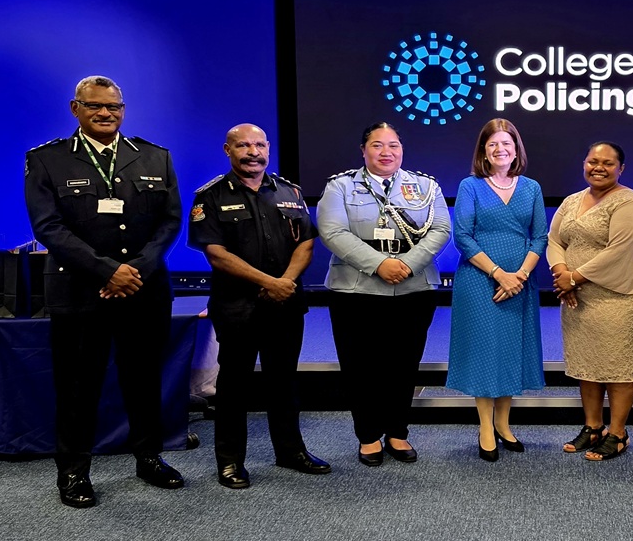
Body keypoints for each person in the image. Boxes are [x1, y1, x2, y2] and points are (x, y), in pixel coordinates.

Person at [24, 75, 183, 508]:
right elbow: (48, 227)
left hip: (144, 290)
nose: (105, 113)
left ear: (123, 109)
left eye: (114, 106)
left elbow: (170, 222)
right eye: (95, 106)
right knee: (78, 387)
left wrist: (135, 270)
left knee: (144, 380)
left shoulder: (154, 156)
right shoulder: (47, 160)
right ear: (75, 108)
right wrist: (106, 272)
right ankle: (73, 471)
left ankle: (148, 458)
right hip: (79, 292)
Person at [188, 123, 330, 489]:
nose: (253, 152)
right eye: (243, 146)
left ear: (268, 147)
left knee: (283, 382)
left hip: (284, 304)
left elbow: (306, 244)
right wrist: (270, 283)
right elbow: (216, 254)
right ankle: (231, 461)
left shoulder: (290, 191)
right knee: (233, 386)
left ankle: (290, 451)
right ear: (228, 149)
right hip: (236, 307)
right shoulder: (210, 196)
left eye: (258, 144)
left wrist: (284, 283)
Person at [317, 122, 451, 467]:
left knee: (404, 364)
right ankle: (367, 435)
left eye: (393, 145)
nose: (386, 152)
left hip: (413, 287)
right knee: (360, 364)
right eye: (377, 145)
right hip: (355, 289)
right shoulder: (340, 186)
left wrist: (406, 264)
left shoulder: (424, 186)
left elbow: (440, 229)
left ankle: (397, 431)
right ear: (363, 150)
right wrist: (379, 264)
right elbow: (332, 232)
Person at [446, 119, 548, 462]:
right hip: (479, 282)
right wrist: (499, 274)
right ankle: (485, 427)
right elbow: (462, 236)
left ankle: (504, 424)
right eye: (492, 145)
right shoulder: (470, 186)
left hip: (521, 282)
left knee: (509, 352)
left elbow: (539, 237)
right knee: (483, 351)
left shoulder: (531, 187)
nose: (500, 149)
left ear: (516, 148)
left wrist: (518, 275)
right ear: (483, 152)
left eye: (506, 143)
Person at [546, 141, 633, 461]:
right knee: (587, 365)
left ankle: (618, 433)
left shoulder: (630, 202)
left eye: (608, 163)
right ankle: (593, 427)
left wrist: (573, 278)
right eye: (593, 161)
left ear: (621, 169)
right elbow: (554, 240)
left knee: (618, 367)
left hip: (618, 297)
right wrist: (561, 271)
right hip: (578, 297)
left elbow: (618, 252)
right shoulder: (572, 200)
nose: (599, 167)